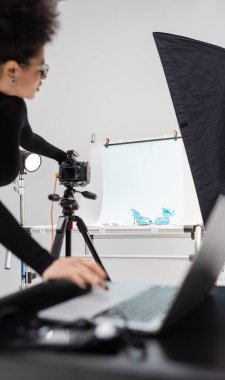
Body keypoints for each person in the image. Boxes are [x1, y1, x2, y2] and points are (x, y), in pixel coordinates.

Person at [0, 0, 107, 290]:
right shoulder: (9, 107)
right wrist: (46, 264)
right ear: (12, 70)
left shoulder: (11, 106)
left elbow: (26, 137)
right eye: (42, 69)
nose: (43, 77)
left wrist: (60, 156)